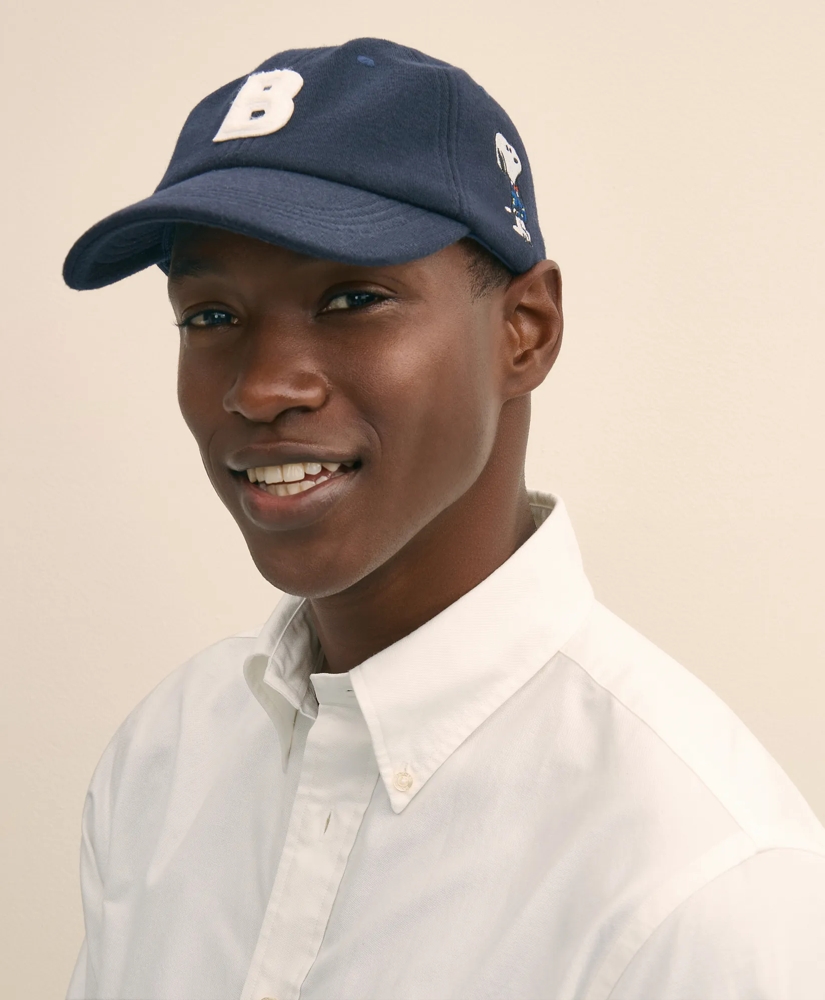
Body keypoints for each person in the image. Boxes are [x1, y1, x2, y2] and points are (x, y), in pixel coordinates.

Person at [62, 37, 825, 1000]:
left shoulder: (702, 884)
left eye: (351, 298)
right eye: (209, 315)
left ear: (525, 331)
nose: (259, 389)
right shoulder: (164, 759)